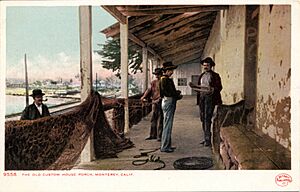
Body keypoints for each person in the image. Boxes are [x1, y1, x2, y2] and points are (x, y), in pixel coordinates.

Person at [189, 57, 222, 147]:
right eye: (204, 65)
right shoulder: (201, 76)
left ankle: (208, 140)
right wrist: (194, 87)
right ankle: (206, 138)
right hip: (202, 98)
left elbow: (219, 87)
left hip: (210, 98)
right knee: (203, 118)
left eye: (207, 65)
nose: (205, 67)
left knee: (207, 118)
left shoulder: (215, 76)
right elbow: (200, 88)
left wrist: (212, 89)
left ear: (211, 66)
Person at [159, 61, 183, 153]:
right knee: (167, 125)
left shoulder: (164, 79)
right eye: (171, 70)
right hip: (168, 101)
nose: (172, 72)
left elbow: (167, 92)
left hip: (167, 100)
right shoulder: (165, 80)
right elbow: (168, 92)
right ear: (167, 70)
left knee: (167, 124)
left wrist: (176, 94)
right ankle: (165, 146)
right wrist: (177, 95)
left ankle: (167, 145)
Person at [140, 68, 164, 141]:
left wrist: (159, 99)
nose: (157, 76)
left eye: (158, 74)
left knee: (160, 120)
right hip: (154, 102)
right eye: (156, 74)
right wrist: (144, 96)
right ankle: (152, 135)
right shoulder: (153, 82)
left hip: (161, 102)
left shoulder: (163, 82)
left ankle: (159, 136)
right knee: (153, 119)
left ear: (161, 74)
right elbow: (149, 90)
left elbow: (164, 93)